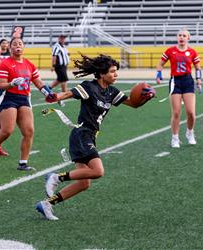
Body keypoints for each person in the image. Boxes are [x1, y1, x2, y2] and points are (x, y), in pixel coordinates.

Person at [35, 54, 155, 220]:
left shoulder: (111, 92)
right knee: (98, 171)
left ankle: (47, 204)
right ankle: (56, 177)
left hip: (89, 137)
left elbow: (133, 104)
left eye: (116, 71)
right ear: (101, 73)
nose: (116, 75)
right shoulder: (89, 87)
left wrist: (146, 97)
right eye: (112, 72)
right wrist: (54, 97)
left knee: (84, 183)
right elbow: (68, 94)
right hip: (81, 135)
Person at [0, 37, 56, 171]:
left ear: (24, 47)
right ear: (10, 48)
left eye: (20, 43)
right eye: (14, 44)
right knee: (7, 130)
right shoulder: (5, 64)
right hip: (8, 98)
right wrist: (12, 83)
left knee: (29, 131)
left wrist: (49, 94)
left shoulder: (29, 64)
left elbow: (38, 83)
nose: (17, 46)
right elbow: (1, 85)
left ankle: (23, 163)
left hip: (24, 98)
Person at [156, 28, 202, 148]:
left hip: (187, 81)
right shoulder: (170, 51)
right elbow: (160, 63)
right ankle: (175, 138)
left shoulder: (192, 52)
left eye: (184, 36)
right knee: (176, 113)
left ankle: (190, 132)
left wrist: (199, 81)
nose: (181, 37)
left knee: (191, 113)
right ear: (177, 38)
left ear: (188, 38)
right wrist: (159, 75)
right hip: (175, 82)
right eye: (180, 35)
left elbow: (198, 68)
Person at [50, 34, 70, 107]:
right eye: (61, 38)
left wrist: (67, 64)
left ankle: (47, 88)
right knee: (64, 80)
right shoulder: (56, 46)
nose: (63, 39)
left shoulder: (63, 47)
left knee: (59, 79)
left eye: (64, 38)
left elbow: (67, 55)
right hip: (59, 66)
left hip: (63, 66)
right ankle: (62, 97)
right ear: (59, 38)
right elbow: (54, 56)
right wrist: (53, 66)